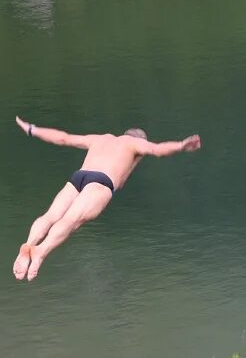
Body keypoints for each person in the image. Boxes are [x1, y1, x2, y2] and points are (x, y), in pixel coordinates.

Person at [12, 116, 201, 281]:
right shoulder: (135, 143)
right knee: (70, 221)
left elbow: (63, 138)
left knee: (51, 215)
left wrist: (31, 129)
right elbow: (157, 149)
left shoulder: (100, 139)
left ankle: (28, 244)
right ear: (140, 139)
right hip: (101, 182)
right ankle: (39, 252)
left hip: (79, 177)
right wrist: (181, 145)